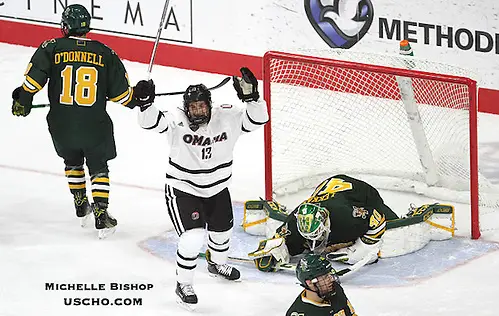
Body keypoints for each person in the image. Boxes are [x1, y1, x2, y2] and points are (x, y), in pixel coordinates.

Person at [11, 4, 150, 238]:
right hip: (94, 123)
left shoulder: (51, 47)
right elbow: (121, 96)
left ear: (65, 27)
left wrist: (23, 99)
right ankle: (101, 214)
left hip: (61, 122)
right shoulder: (105, 52)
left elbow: (33, 81)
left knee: (72, 160)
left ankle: (80, 202)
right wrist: (140, 96)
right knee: (98, 167)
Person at [135, 67, 269, 309]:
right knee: (193, 237)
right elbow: (152, 124)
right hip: (183, 189)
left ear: (210, 105)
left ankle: (216, 264)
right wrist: (146, 105)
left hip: (217, 189)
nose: (197, 111)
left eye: (201, 106)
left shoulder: (226, 117)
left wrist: (253, 99)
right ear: (187, 109)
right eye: (193, 108)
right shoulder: (177, 120)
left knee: (223, 232)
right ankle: (183, 284)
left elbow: (259, 119)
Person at [249, 174, 400, 271]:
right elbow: (278, 241)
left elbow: (377, 219)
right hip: (327, 191)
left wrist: (361, 249)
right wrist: (272, 253)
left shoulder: (346, 216)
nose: (315, 242)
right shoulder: (295, 220)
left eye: (317, 234)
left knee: (395, 224)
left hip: (359, 192)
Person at [286, 253, 357, 316]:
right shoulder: (302, 313)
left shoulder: (334, 289)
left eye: (330, 275)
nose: (331, 279)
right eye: (325, 277)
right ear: (310, 283)